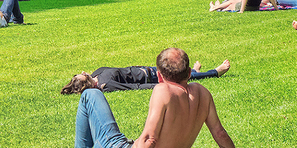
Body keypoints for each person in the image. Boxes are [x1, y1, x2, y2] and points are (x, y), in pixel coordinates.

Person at [19, 48, 268, 148]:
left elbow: (149, 139)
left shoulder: (163, 91)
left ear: (159, 76)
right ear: (190, 73)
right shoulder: (202, 93)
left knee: (91, 94)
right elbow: (220, 133)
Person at [61, 60, 231, 94]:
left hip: (146, 69)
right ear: (88, 84)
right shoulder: (107, 85)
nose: (84, 72)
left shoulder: (97, 73)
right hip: (152, 78)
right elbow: (134, 87)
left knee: (179, 71)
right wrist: (160, 86)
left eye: (81, 73)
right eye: (84, 77)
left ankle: (194, 70)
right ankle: (215, 72)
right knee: (182, 79)